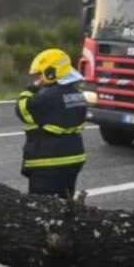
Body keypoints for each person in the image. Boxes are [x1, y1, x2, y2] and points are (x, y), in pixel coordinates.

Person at [16, 49, 87, 198]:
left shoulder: (47, 97)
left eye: (39, 74)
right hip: (73, 157)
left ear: (50, 72)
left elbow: (22, 110)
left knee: (42, 207)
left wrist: (30, 89)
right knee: (65, 202)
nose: (37, 78)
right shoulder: (77, 95)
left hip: (48, 161)